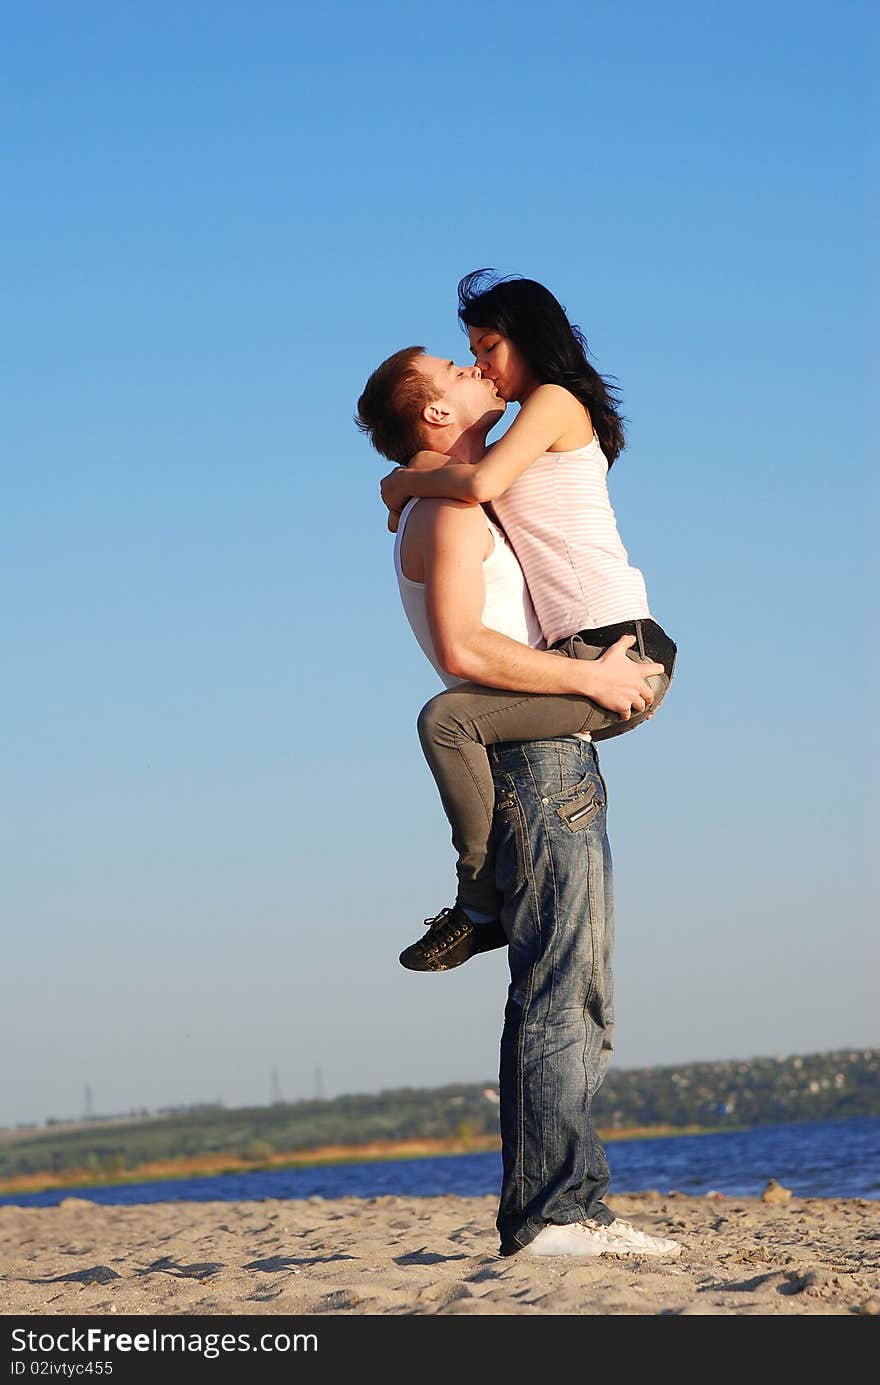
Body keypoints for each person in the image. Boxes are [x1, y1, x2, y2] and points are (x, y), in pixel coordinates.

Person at [354, 347, 681, 1258]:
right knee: (561, 993)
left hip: (539, 751)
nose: (476, 369)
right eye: (455, 368)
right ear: (430, 413)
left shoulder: (441, 493)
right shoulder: (452, 510)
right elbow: (465, 649)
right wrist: (597, 678)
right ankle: (557, 1215)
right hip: (536, 761)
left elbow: (421, 489)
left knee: (568, 989)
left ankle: (559, 1205)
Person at [375, 272, 677, 967]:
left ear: (528, 336)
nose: (480, 364)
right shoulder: (521, 426)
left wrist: (405, 480)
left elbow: (478, 482)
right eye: (468, 352)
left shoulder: (553, 400)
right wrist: (415, 474)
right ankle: (482, 902)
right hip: (585, 650)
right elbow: (470, 478)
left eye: (486, 345)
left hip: (615, 647)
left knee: (446, 720)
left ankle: (478, 902)